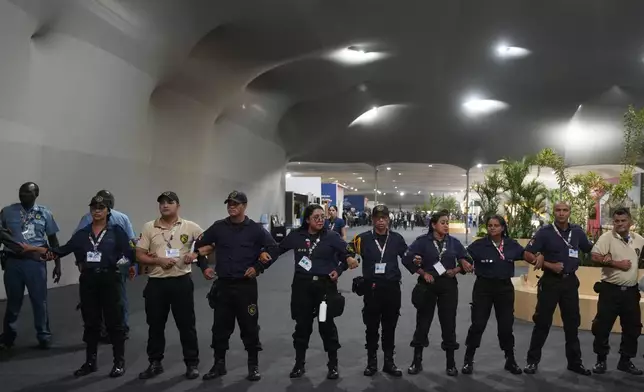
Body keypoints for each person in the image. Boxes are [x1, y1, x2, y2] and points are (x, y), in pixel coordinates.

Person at [41, 195, 133, 377]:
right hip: (89, 281)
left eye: (101, 207)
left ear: (108, 211)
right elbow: (64, 249)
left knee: (115, 323)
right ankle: (90, 362)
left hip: (110, 280)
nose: (97, 210)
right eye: (94, 208)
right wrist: (50, 254)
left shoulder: (116, 231)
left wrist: (121, 266)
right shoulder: (82, 234)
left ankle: (118, 362)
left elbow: (130, 253)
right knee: (91, 323)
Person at [257, 203, 351, 380]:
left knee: (326, 324)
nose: (320, 220)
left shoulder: (332, 236)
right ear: (307, 219)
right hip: (302, 289)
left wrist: (338, 270)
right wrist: (261, 259)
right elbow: (277, 250)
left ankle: (333, 365)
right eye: (316, 217)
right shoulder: (296, 236)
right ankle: (299, 363)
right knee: (302, 326)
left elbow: (348, 254)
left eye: (323, 217)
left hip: (324, 290)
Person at [193, 191, 278, 382]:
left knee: (249, 327)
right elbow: (198, 246)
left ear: (244, 206)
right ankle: (218, 364)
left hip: (245, 287)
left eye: (236, 204)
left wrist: (258, 267)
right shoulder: (218, 227)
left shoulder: (255, 229)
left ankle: (253, 365)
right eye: (229, 204)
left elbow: (274, 248)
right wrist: (204, 267)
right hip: (223, 285)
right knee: (220, 328)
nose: (232, 207)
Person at [135, 191, 207, 380]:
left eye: (170, 202)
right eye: (162, 203)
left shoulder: (190, 226)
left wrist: (196, 254)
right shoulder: (149, 227)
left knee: (186, 325)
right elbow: (139, 254)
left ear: (178, 206)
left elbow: (209, 243)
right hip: (156, 284)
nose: (165, 205)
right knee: (155, 325)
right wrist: (158, 261)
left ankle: (192, 363)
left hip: (181, 282)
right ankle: (155, 362)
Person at [523, 201, 594, 375]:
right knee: (542, 322)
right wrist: (548, 264)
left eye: (565, 210)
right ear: (553, 212)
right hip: (550, 282)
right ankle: (532, 362)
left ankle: (575, 363)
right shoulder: (544, 232)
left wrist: (610, 254)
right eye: (558, 210)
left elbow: (591, 250)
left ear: (570, 212)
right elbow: (526, 253)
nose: (561, 213)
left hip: (570, 283)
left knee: (572, 324)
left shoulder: (577, 232)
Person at [402, 210, 470, 377]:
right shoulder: (421, 242)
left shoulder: (454, 242)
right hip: (427, 285)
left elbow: (467, 259)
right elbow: (406, 258)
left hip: (448, 286)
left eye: (448, 222)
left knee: (449, 323)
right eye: (443, 222)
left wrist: (457, 269)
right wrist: (422, 272)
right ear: (433, 225)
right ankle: (416, 361)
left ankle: (450, 363)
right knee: (423, 323)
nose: (446, 225)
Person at [348, 204, 408, 377]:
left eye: (384, 218)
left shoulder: (396, 238)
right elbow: (347, 248)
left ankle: (389, 361)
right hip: (372, 289)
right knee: (371, 326)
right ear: (372, 219)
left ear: (389, 219)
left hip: (392, 288)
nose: (381, 221)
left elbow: (407, 256)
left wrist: (418, 260)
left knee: (390, 326)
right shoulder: (363, 238)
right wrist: (349, 257)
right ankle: (371, 362)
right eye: (377, 218)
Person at [0, 182, 61, 350]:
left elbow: (53, 241)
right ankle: (8, 336)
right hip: (13, 262)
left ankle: (43, 335)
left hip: (35, 262)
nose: (23, 195)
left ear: (36, 194)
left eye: (27, 193)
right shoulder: (7, 212)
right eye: (21, 192)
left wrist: (58, 263)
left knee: (39, 301)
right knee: (13, 301)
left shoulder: (45, 213)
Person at [461, 215, 523, 375]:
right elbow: (463, 257)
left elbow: (526, 255)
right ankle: (468, 359)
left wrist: (541, 256)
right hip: (484, 288)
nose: (492, 228)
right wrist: (463, 262)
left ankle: (510, 360)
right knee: (478, 324)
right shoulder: (479, 245)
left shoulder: (511, 244)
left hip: (504, 288)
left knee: (506, 326)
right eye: (490, 225)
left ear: (503, 228)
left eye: (496, 225)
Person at [73, 190, 137, 339]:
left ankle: (107, 328)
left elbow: (77, 242)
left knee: (106, 297)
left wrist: (80, 261)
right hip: (112, 264)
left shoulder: (89, 218)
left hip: (105, 264)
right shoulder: (121, 217)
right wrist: (131, 264)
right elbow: (132, 242)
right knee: (117, 296)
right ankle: (118, 327)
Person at [589, 207, 643, 375]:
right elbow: (594, 257)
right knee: (602, 327)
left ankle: (625, 361)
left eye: (623, 221)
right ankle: (601, 361)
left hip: (631, 293)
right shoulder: (606, 238)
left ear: (630, 222)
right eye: (617, 221)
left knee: (633, 328)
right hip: (609, 291)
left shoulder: (640, 240)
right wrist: (615, 264)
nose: (620, 224)